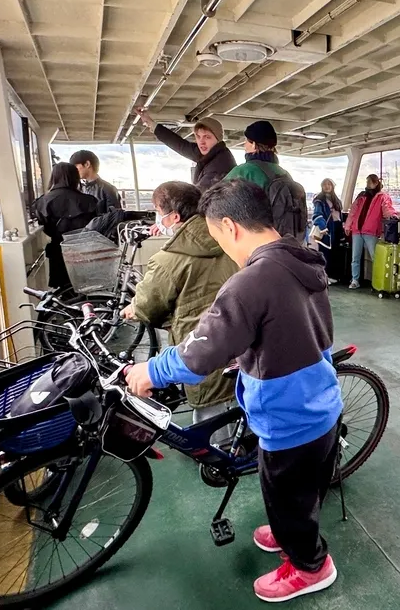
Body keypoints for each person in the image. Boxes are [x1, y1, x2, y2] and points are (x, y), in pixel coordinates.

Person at [126, 180, 341, 602]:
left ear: (230, 226)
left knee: (285, 490)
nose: (222, 246)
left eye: (218, 236)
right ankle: (288, 529)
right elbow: (288, 326)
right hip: (318, 399)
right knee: (297, 489)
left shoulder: (251, 281)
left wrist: (150, 369)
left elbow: (197, 356)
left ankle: (311, 565)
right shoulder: (302, 257)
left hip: (288, 416)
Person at [121, 181, 238, 437]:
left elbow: (149, 307)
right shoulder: (231, 239)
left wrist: (134, 308)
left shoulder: (169, 258)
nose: (156, 218)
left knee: (210, 412)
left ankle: (219, 456)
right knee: (240, 400)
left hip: (200, 347)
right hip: (241, 341)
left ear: (173, 217)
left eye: (156, 211)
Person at [33, 162, 101, 290]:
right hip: (84, 252)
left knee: (62, 292)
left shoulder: (42, 201)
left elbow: (44, 226)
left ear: (54, 177)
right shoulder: (89, 201)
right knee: (87, 291)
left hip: (58, 253)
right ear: (75, 177)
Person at [134, 108, 236, 190]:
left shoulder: (221, 164)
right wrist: (151, 123)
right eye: (198, 136)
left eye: (207, 137)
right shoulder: (210, 152)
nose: (201, 142)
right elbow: (179, 145)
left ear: (218, 139)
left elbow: (199, 195)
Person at [344, 174, 396, 289]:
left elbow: (387, 208)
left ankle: (378, 281)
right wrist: (348, 226)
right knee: (355, 258)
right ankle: (355, 280)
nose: (367, 184)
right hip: (357, 230)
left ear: (376, 183)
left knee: (375, 258)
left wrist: (392, 216)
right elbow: (353, 212)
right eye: (367, 182)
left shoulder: (382, 197)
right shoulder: (361, 196)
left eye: (370, 182)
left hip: (371, 231)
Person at [224, 120, 289, 189]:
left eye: (246, 141)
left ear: (254, 145)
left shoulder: (244, 171)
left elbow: (218, 195)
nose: (244, 145)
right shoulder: (284, 174)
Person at [311, 178, 343, 283]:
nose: (327, 186)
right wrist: (323, 227)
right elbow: (317, 214)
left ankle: (329, 275)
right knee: (325, 252)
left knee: (334, 252)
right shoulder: (319, 200)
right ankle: (323, 276)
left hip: (336, 227)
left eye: (329, 184)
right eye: (325, 184)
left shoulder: (336, 200)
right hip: (326, 228)